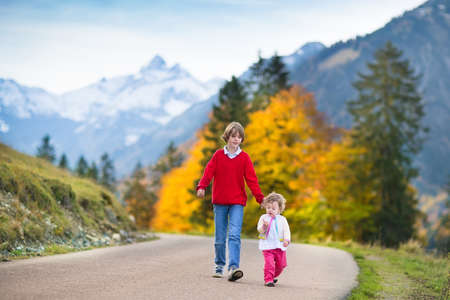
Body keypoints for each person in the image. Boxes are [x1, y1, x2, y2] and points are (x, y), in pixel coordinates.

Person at [197, 121, 264, 281]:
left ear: (242, 139)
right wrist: (202, 186)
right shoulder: (218, 155)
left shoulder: (244, 158)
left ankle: (233, 267)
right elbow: (208, 172)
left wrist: (260, 198)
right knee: (220, 237)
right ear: (227, 137)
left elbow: (252, 180)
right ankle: (219, 265)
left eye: (239, 137)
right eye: (233, 136)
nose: (236, 139)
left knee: (234, 235)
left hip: (237, 202)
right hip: (220, 201)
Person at [257, 192, 291, 287]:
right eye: (268, 208)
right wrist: (264, 226)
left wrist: (286, 240)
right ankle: (268, 279)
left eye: (273, 208)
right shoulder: (264, 218)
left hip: (279, 246)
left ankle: (272, 275)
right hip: (267, 246)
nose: (270, 210)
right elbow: (259, 229)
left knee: (281, 266)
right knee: (270, 263)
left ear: (279, 209)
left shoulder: (282, 219)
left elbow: (286, 231)